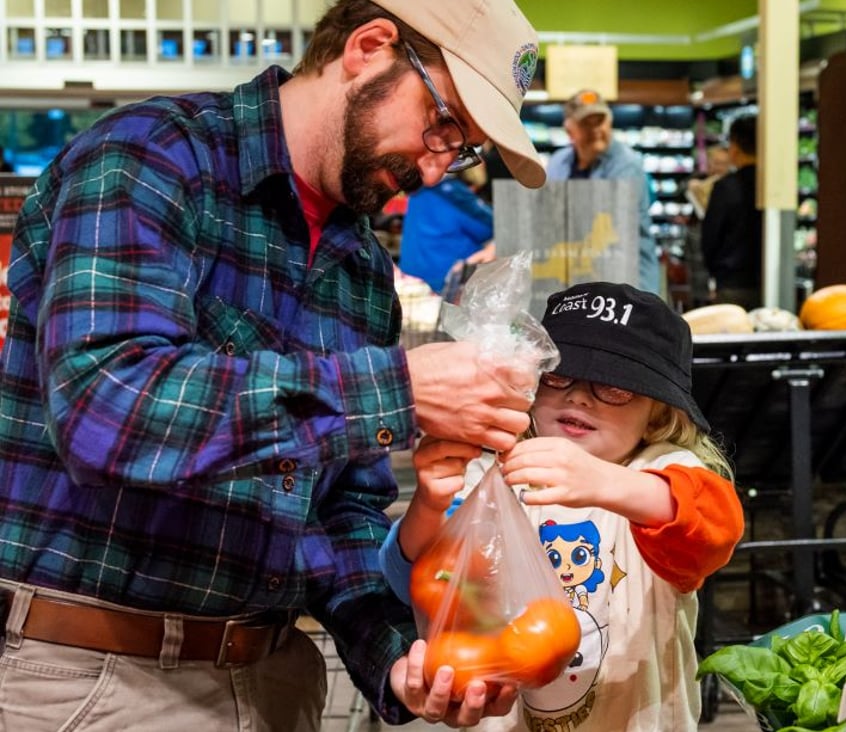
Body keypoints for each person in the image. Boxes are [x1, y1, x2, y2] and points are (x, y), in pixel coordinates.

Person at [0, 0, 550, 729]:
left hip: (277, 679)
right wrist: (400, 389)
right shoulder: (152, 157)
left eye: (462, 150)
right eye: (442, 124)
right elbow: (108, 406)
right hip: (97, 673)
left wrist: (399, 658)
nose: (435, 167)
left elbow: (337, 515)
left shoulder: (360, 271)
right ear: (368, 47)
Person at [381, 281, 746, 730]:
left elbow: (714, 526)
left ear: (658, 411)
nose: (578, 396)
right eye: (558, 375)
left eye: (615, 386)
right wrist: (429, 505)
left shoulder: (664, 470)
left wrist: (608, 482)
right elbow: (414, 580)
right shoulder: (495, 469)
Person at [545, 90, 661, 296]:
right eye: (586, 123)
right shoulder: (558, 162)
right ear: (569, 130)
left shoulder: (627, 165)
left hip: (629, 285)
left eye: (600, 121)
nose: (596, 129)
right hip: (579, 281)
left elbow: (603, 225)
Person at [700, 114, 762, 310]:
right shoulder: (772, 186)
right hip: (770, 282)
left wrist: (714, 273)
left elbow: (710, 238)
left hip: (732, 284)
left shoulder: (725, 187)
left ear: (734, 148)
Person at [399, 170, 496, 293]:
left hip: (411, 280)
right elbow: (490, 227)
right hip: (445, 284)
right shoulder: (452, 192)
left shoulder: (419, 191)